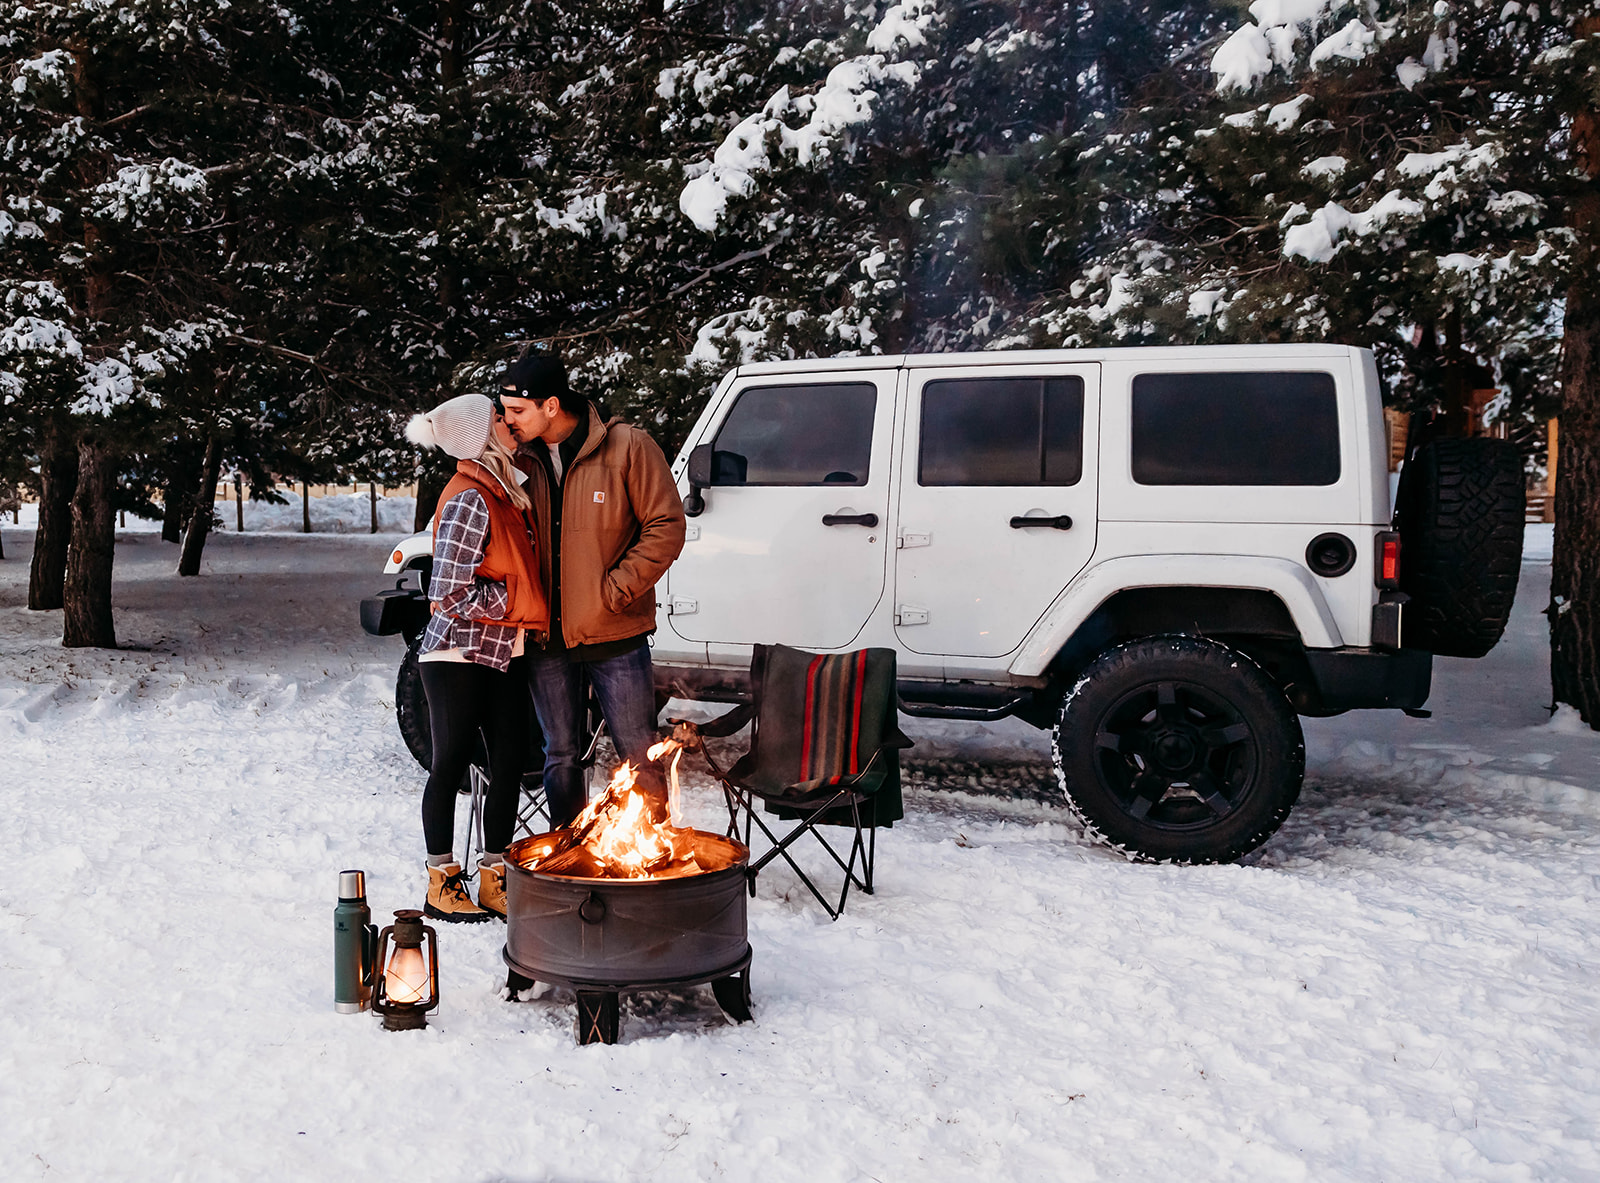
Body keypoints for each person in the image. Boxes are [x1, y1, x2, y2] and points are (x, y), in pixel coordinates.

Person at [496, 355, 686, 826]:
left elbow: (666, 527)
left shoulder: (628, 448)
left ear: (552, 406)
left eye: (517, 411)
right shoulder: (519, 459)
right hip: (547, 637)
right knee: (559, 755)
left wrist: (615, 591)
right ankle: (568, 854)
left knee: (639, 751)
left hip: (613, 632)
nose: (507, 421)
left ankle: (653, 855)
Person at [404, 392, 548, 922]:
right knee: (451, 763)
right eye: (498, 417)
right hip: (457, 653)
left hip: (501, 650)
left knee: (509, 763)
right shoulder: (470, 497)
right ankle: (441, 881)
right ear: (477, 436)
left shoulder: (503, 486)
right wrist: (511, 601)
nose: (510, 423)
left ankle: (493, 877)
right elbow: (445, 593)